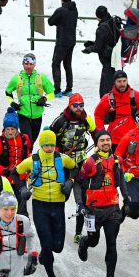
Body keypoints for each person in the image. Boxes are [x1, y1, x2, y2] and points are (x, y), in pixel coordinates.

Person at [11, 127, 76, 277]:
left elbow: (76, 167)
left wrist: (71, 181)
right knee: (47, 244)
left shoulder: (62, 159)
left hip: (58, 205)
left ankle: (45, 256)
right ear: (41, 145)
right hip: (40, 206)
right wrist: (22, 189)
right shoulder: (32, 161)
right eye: (46, 145)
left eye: (52, 145)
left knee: (58, 246)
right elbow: (15, 172)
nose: (49, 148)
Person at [74, 130, 129, 277]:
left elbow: (122, 182)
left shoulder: (117, 161)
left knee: (112, 244)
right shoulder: (89, 162)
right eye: (102, 140)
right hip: (93, 211)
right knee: (94, 241)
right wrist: (80, 204)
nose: (106, 142)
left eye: (108, 140)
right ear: (97, 143)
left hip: (112, 209)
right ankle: (85, 242)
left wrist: (126, 199)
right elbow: (78, 183)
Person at [50, 93, 97, 243]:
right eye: (75, 105)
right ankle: (54, 226)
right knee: (62, 195)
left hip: (81, 162)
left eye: (81, 105)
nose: (79, 108)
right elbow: (49, 139)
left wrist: (99, 146)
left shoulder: (87, 119)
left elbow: (96, 133)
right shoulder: (61, 120)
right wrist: (56, 155)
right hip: (63, 162)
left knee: (82, 198)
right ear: (70, 105)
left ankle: (78, 232)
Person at [5, 53, 55, 151]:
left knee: (32, 141)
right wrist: (12, 103)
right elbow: (8, 93)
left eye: (31, 64)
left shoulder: (41, 78)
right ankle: (27, 160)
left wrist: (44, 99)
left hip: (37, 114)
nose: (28, 66)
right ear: (22, 64)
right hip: (22, 114)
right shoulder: (16, 78)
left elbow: (51, 93)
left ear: (34, 65)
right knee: (28, 141)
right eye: (26, 63)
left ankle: (27, 157)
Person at [115, 110, 139, 253]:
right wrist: (123, 171)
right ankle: (126, 208)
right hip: (132, 180)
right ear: (136, 122)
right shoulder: (129, 136)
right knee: (135, 213)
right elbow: (117, 157)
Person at [0, 107, 31, 216]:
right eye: (8, 129)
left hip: (20, 178)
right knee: (5, 208)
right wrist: (2, 170)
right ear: (4, 128)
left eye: (13, 129)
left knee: (22, 208)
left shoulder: (25, 139)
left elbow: (28, 156)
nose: (10, 132)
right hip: (4, 179)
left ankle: (22, 229)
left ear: (17, 128)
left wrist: (29, 171)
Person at [94, 70, 139, 152]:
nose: (122, 84)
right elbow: (98, 115)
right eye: (119, 81)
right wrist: (101, 131)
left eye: (124, 81)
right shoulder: (107, 98)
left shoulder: (136, 95)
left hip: (133, 138)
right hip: (114, 140)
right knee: (115, 163)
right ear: (114, 82)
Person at [82, 6, 120, 98]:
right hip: (115, 55)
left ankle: (106, 103)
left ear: (98, 17)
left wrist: (89, 49)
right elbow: (109, 40)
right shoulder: (113, 22)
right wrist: (92, 44)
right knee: (112, 80)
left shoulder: (101, 28)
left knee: (105, 86)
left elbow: (98, 48)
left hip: (107, 58)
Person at [48, 0, 78, 97]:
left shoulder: (61, 10)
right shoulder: (75, 10)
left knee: (55, 64)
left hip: (62, 41)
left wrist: (58, 21)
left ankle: (57, 90)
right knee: (67, 64)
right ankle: (69, 89)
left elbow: (50, 21)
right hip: (72, 40)